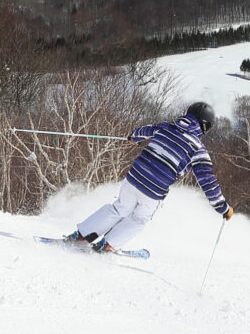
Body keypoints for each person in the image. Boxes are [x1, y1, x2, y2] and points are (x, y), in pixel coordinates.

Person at [63, 102, 233, 252]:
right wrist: (223, 208)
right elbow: (208, 183)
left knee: (119, 208)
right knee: (139, 219)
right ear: (205, 125)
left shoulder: (166, 126)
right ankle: (107, 245)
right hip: (153, 190)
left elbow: (143, 131)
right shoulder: (198, 149)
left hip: (133, 178)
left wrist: (133, 138)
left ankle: (82, 236)